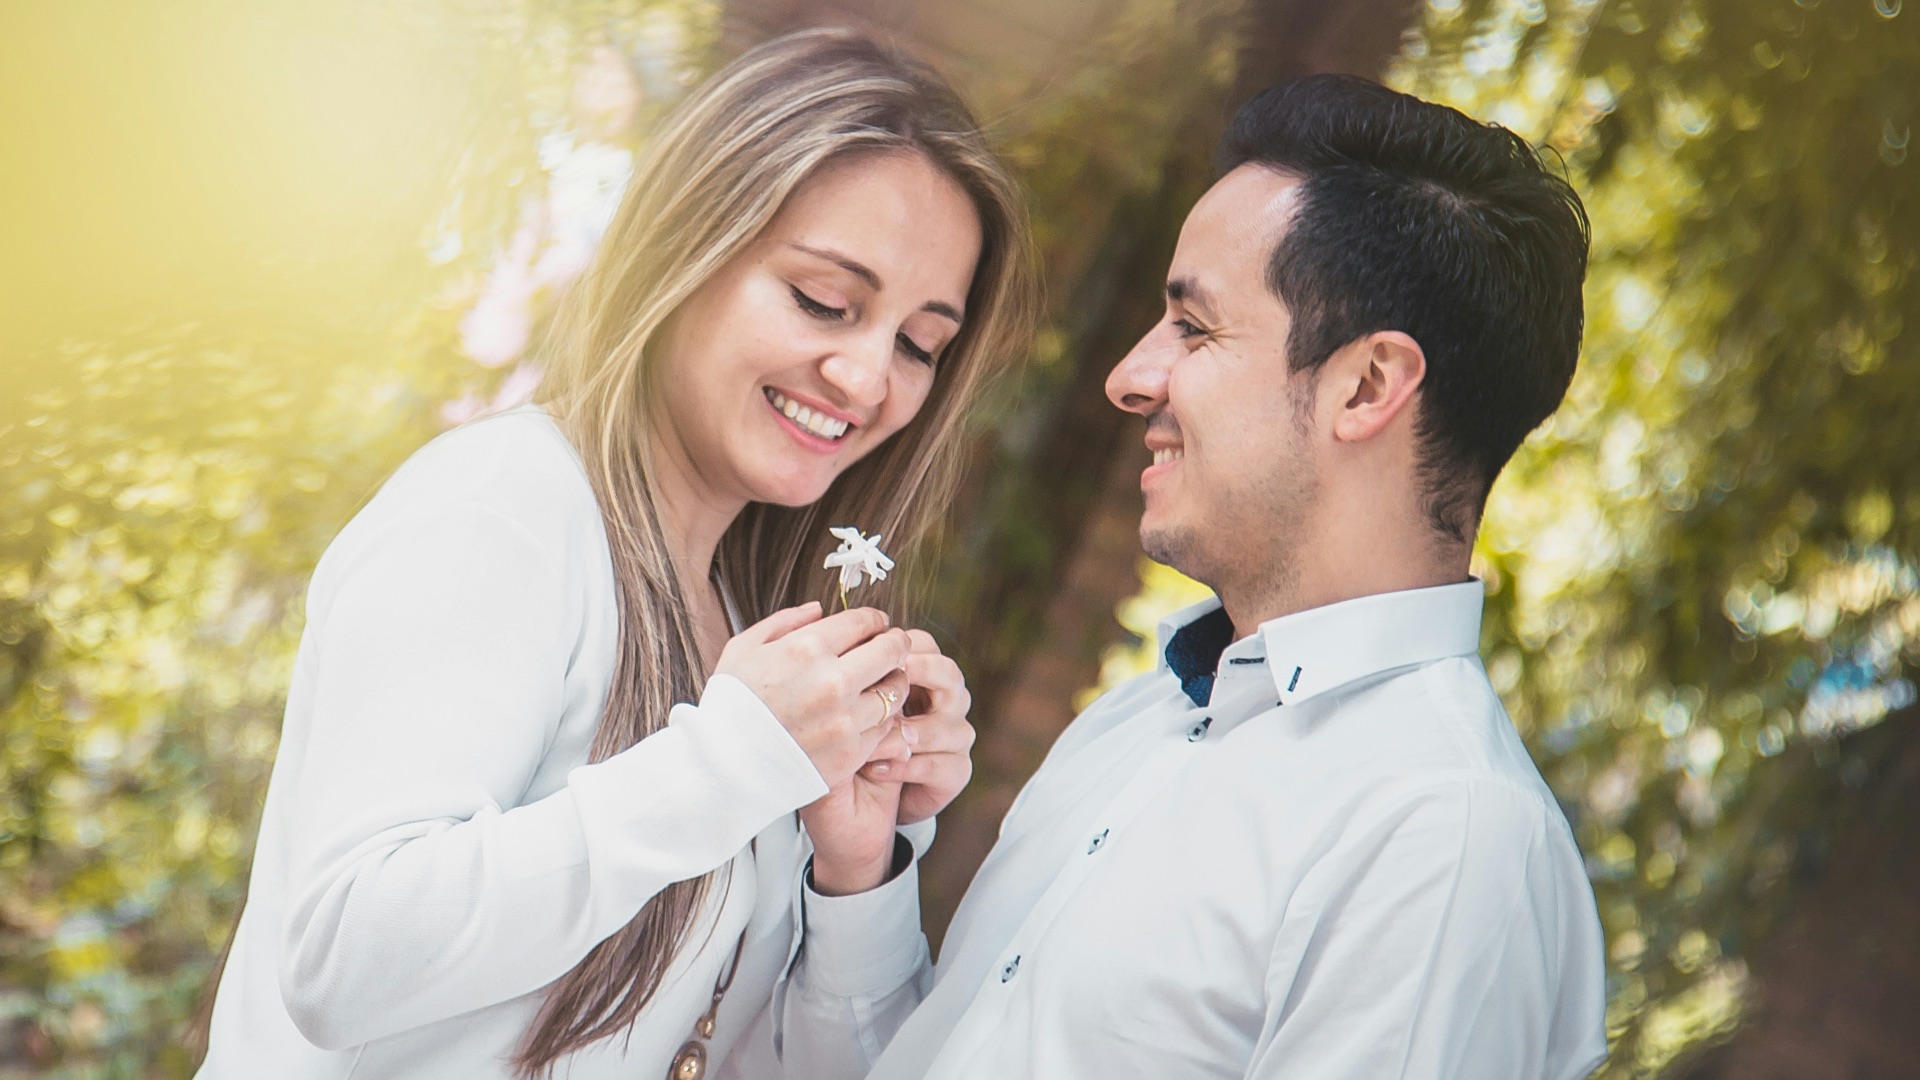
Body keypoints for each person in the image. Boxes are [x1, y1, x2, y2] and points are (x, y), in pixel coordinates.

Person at [195, 28, 1035, 1079]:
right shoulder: (506, 509)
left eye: (919, 344)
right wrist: (729, 764)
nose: (868, 379)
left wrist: (854, 863)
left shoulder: (744, 624)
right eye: (826, 300)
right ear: (685, 247)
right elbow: (343, 952)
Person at [856, 75, 1608, 1079]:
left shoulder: (1443, 835)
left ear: (1367, 386)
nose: (1130, 376)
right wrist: (857, 874)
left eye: (1194, 329)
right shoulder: (1137, 723)